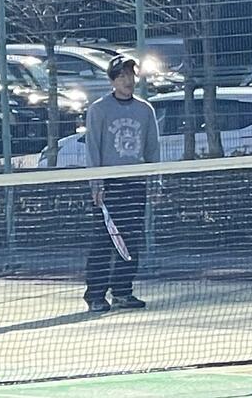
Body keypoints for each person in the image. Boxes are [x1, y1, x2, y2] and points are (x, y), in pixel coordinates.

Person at [83, 54, 161, 313]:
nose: (127, 81)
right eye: (121, 76)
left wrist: (155, 183)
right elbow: (93, 149)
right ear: (112, 81)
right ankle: (95, 295)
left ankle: (122, 292)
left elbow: (153, 149)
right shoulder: (99, 109)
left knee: (131, 240)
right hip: (109, 186)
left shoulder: (145, 110)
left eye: (130, 75)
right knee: (103, 241)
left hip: (135, 184)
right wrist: (97, 185)